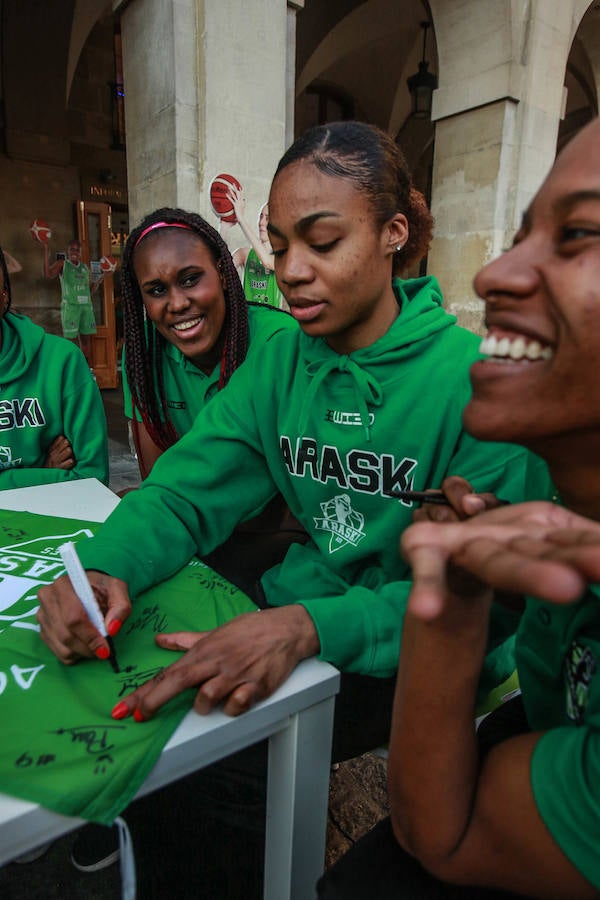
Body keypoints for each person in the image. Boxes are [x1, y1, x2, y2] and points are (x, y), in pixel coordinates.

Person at [37, 121, 551, 754]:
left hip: (417, 644)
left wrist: (308, 628)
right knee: (136, 668)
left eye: (324, 241)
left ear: (394, 234)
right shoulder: (281, 366)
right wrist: (103, 564)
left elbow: (495, 601)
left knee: (213, 750)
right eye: (279, 248)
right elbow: (183, 491)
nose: (293, 272)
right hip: (300, 597)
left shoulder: (480, 386)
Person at [317, 117, 600, 899]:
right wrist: (461, 585)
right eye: (279, 248)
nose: (493, 273)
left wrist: (441, 602)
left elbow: (439, 831)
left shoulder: (462, 388)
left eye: (577, 233)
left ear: (391, 237)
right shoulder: (547, 500)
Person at [119, 206, 305, 587]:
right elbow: (158, 481)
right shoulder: (142, 358)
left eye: (190, 279)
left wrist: (189, 503)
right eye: (155, 290)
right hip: (193, 540)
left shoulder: (279, 343)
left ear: (222, 272)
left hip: (283, 555)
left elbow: (297, 503)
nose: (177, 303)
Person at [0, 245, 109, 489]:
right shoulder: (62, 268)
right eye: (70, 251)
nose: (73, 255)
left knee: (85, 343)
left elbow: (92, 479)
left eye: (76, 251)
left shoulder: (62, 362)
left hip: (56, 521)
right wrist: (43, 473)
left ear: (5, 291)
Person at [225, 184, 287, 309]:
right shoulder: (244, 254)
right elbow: (220, 272)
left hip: (271, 324)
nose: (261, 222)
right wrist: (224, 227)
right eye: (261, 216)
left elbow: (267, 262)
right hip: (248, 322)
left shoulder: (283, 257)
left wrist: (241, 219)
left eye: (268, 219)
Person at [41, 238, 101, 365]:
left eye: (77, 250)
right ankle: (71, 368)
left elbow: (89, 291)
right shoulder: (62, 264)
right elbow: (47, 274)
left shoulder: (85, 268)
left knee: (85, 342)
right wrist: (46, 248)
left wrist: (101, 278)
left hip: (86, 307)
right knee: (70, 341)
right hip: (71, 307)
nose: (75, 252)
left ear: (80, 252)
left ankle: (85, 368)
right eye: (72, 249)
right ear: (68, 251)